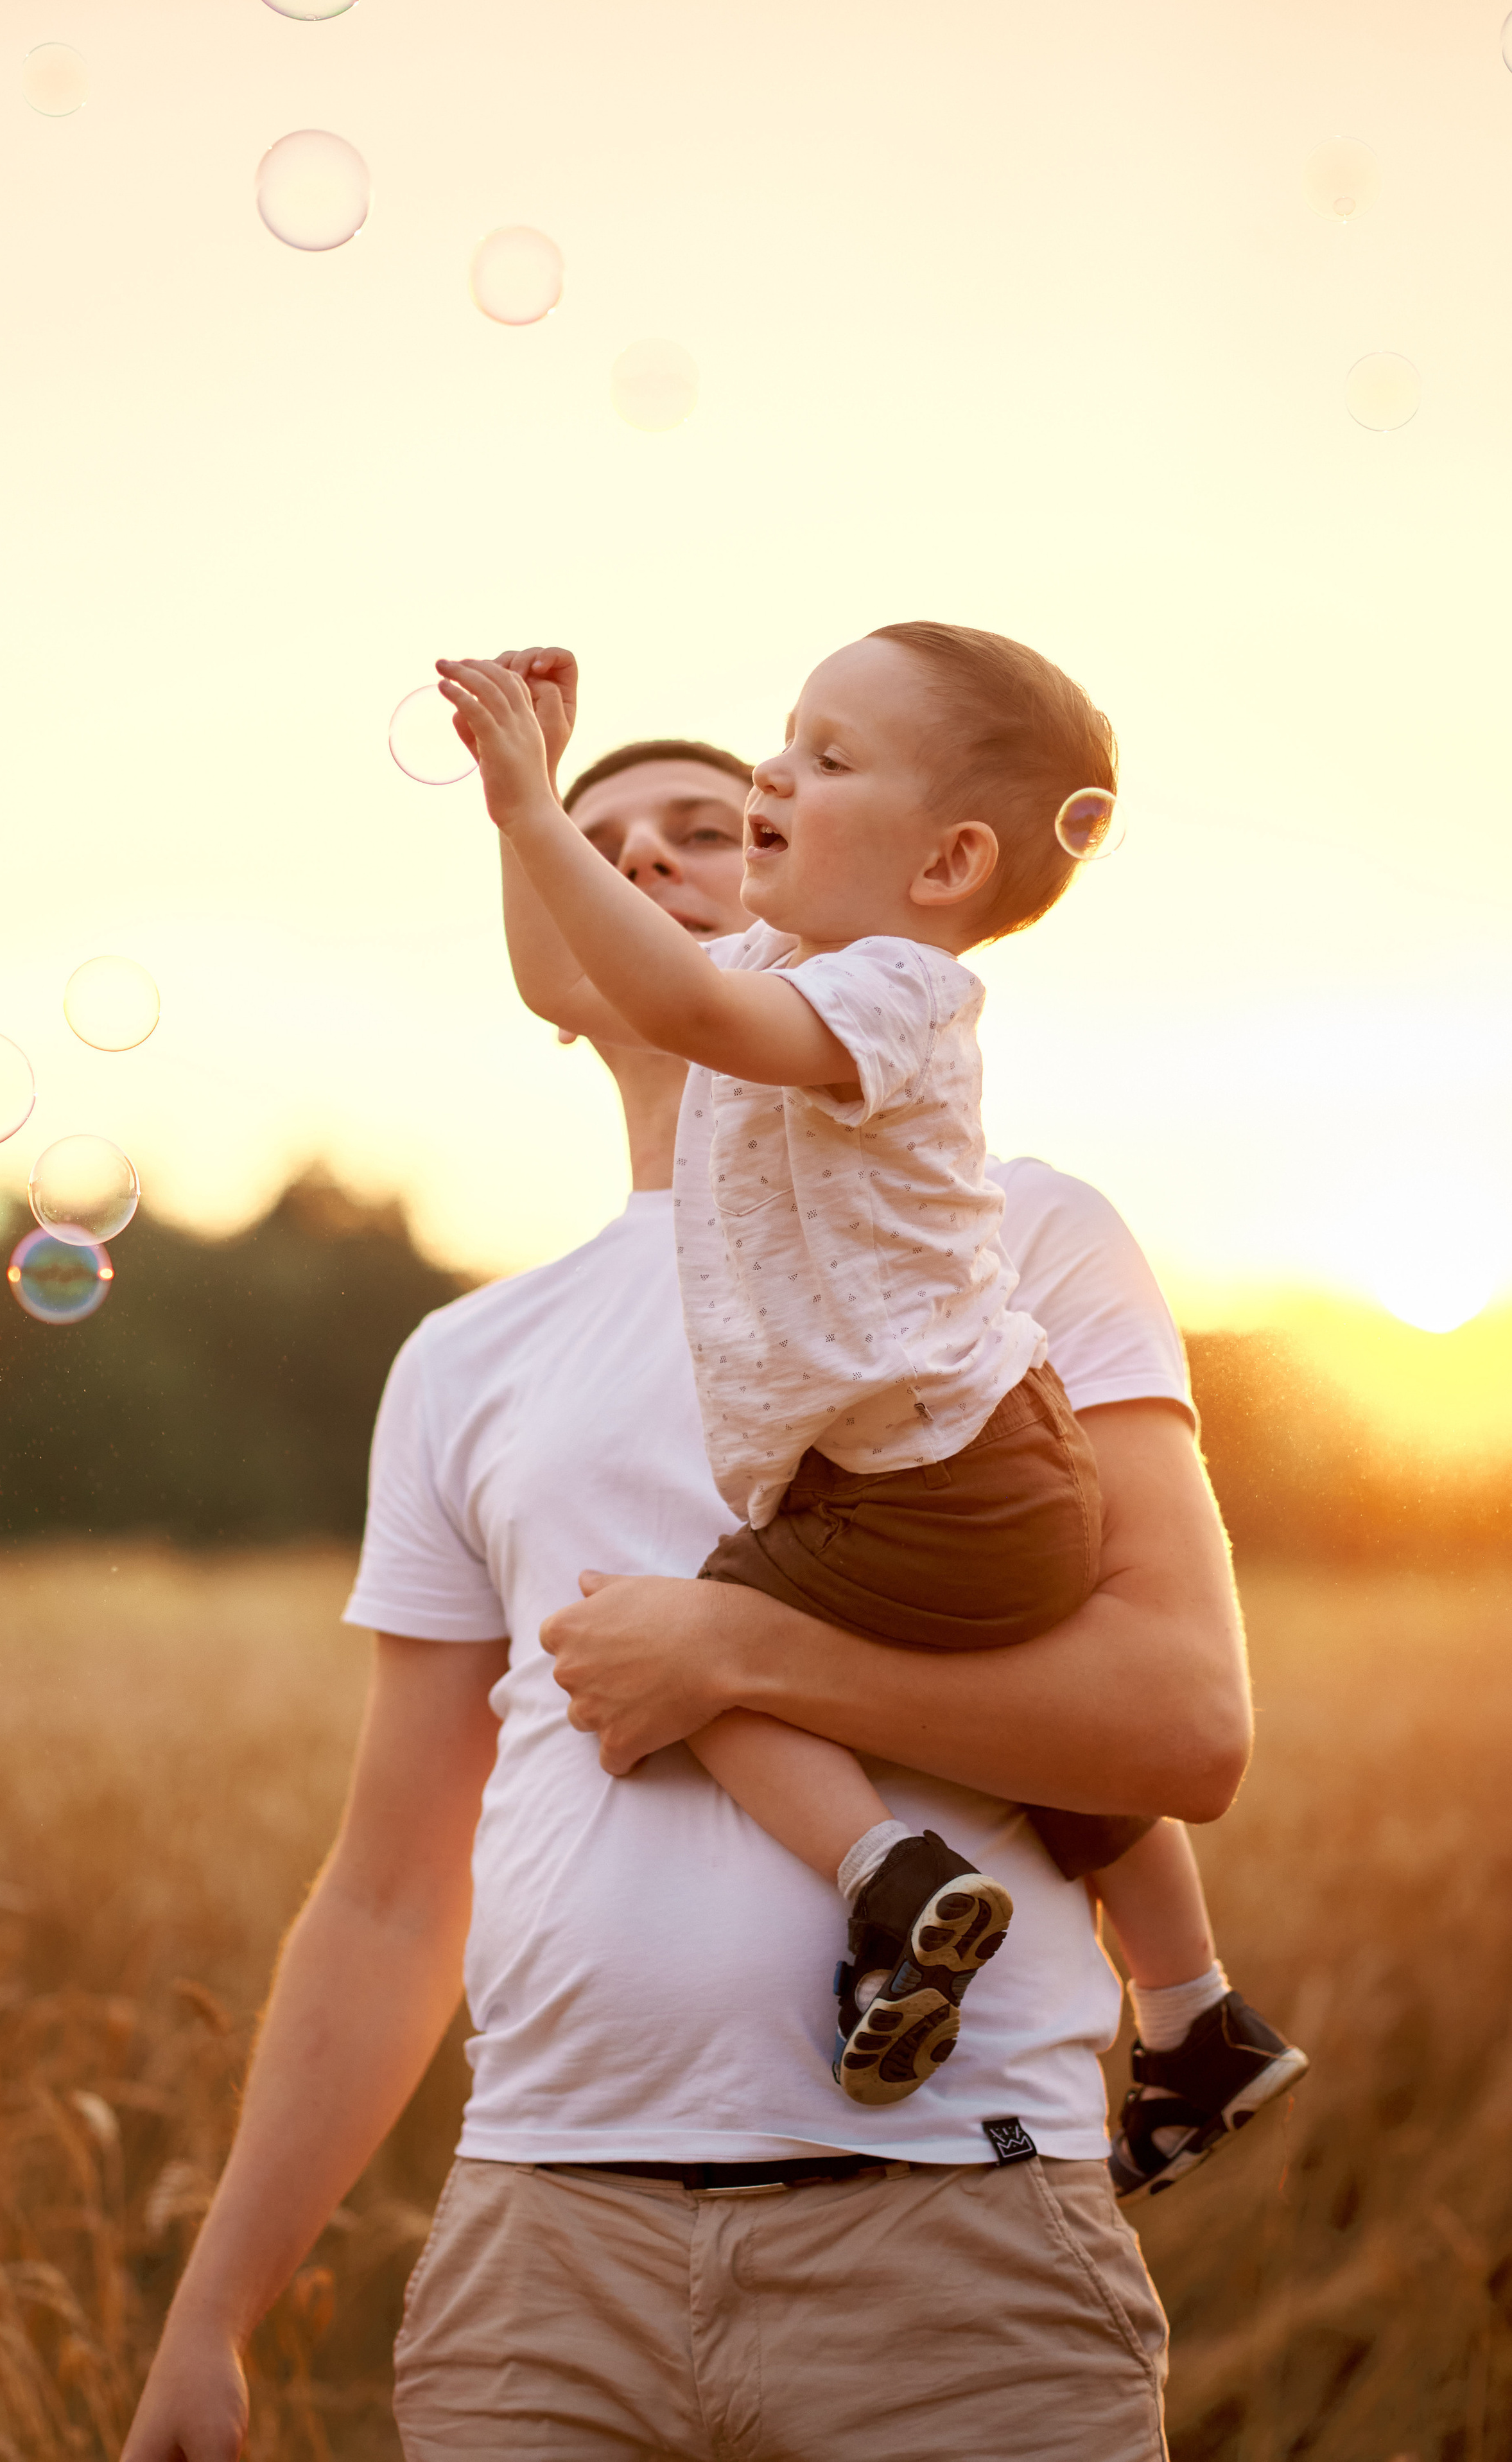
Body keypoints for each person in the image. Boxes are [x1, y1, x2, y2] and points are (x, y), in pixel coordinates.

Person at [119, 726, 1257, 2462]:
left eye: (708, 829)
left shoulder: (1012, 1235)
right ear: (552, 964)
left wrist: (728, 1651)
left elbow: (1182, 1727)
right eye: (594, 845)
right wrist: (212, 2313)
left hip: (949, 2241)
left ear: (810, 899)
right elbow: (390, 1893)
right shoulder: (464, 1361)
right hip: (540, 2256)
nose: (643, 860)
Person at [440, 636, 1305, 2140]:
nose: (772, 770)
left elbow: (692, 1016)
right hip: (962, 1462)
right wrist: (517, 807)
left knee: (684, 1649)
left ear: (946, 864)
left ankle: (889, 1883)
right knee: (1018, 1719)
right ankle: (1189, 2014)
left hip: (946, 1471)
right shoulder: (773, 966)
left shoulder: (897, 992)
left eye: (826, 759)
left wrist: (537, 809)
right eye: (784, 737)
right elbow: (565, 978)